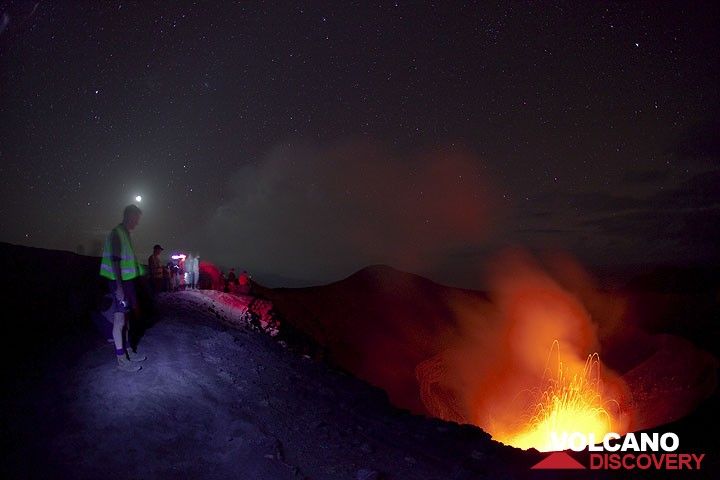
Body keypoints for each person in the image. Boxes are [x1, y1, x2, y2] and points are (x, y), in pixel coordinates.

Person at [99, 204, 147, 372]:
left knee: (125, 320)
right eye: (135, 219)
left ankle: (127, 351)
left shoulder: (125, 234)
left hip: (126, 283)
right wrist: (119, 287)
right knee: (119, 321)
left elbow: (127, 261)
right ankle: (121, 359)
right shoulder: (117, 233)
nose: (136, 223)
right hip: (119, 283)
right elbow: (115, 261)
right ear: (128, 216)